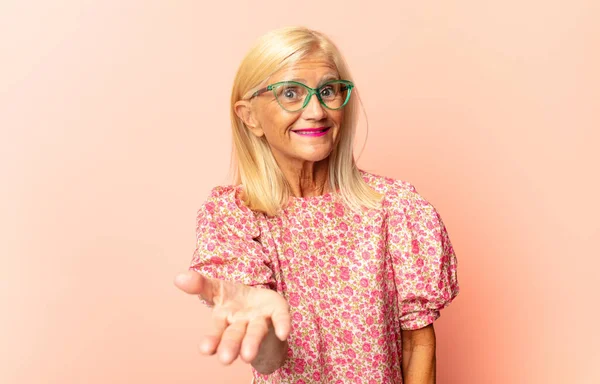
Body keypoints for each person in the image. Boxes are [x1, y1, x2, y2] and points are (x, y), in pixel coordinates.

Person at [174, 26, 460, 384]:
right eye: (291, 93)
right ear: (249, 116)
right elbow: (268, 360)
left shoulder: (398, 209)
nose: (316, 110)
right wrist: (266, 331)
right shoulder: (235, 216)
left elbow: (417, 345)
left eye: (327, 90)